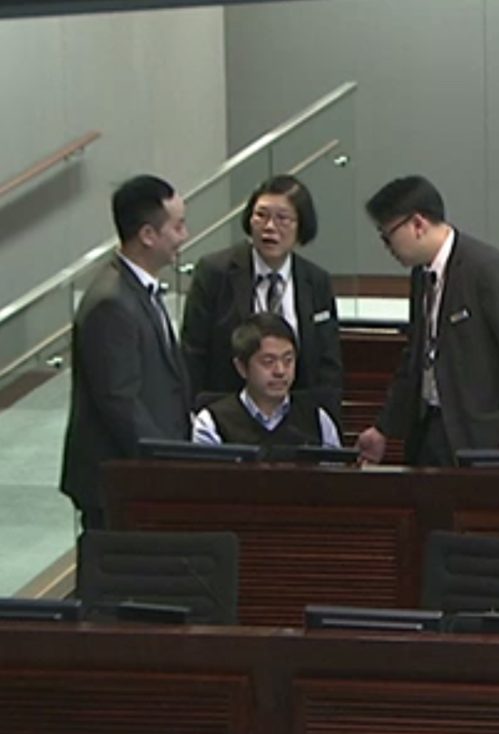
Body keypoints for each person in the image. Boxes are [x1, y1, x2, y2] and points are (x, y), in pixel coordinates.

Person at [355, 175, 499, 466]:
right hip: (432, 431)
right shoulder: (422, 275)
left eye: (388, 236)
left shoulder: (487, 270)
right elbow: (415, 359)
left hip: (486, 439)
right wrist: (385, 427)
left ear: (418, 224)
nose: (387, 246)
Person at [59, 174, 192, 530]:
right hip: (121, 484)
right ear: (148, 235)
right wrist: (162, 466)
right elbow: (120, 401)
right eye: (177, 227)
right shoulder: (112, 303)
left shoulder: (139, 292)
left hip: (141, 479)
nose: (185, 236)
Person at [180, 174, 343, 423]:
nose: (269, 227)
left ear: (301, 226)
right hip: (226, 417)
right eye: (261, 215)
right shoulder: (215, 272)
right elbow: (193, 352)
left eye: (283, 219)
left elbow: (328, 362)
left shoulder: (316, 280)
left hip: (297, 420)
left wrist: (326, 422)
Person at [192, 312, 341, 449]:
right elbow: (207, 477)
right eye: (268, 361)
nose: (280, 371)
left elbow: (335, 475)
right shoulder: (212, 423)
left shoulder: (318, 420)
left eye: (288, 360)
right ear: (242, 367)